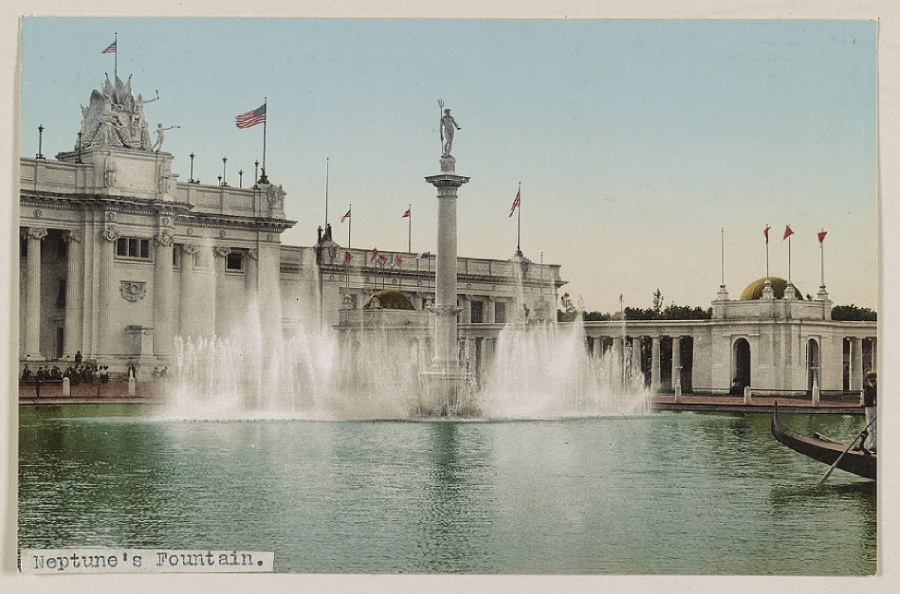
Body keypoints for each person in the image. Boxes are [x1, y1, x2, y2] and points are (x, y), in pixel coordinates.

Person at [860, 370, 877, 452]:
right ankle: (871, 445)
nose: (873, 379)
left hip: (876, 407)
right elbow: (868, 394)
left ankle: (875, 445)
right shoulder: (867, 385)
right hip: (869, 407)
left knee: (876, 427)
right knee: (870, 427)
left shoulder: (876, 385)